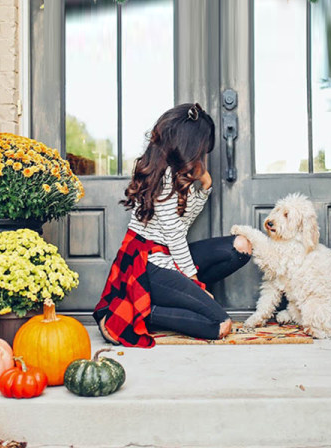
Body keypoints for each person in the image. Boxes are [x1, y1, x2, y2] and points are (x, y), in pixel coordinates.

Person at [93, 103, 252, 347]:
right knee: (219, 325)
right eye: (202, 148)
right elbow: (175, 235)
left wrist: (205, 186)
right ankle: (142, 312)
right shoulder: (163, 175)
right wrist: (195, 282)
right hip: (147, 265)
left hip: (169, 256)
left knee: (241, 247)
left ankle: (184, 298)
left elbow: (182, 223)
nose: (203, 155)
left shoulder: (178, 172)